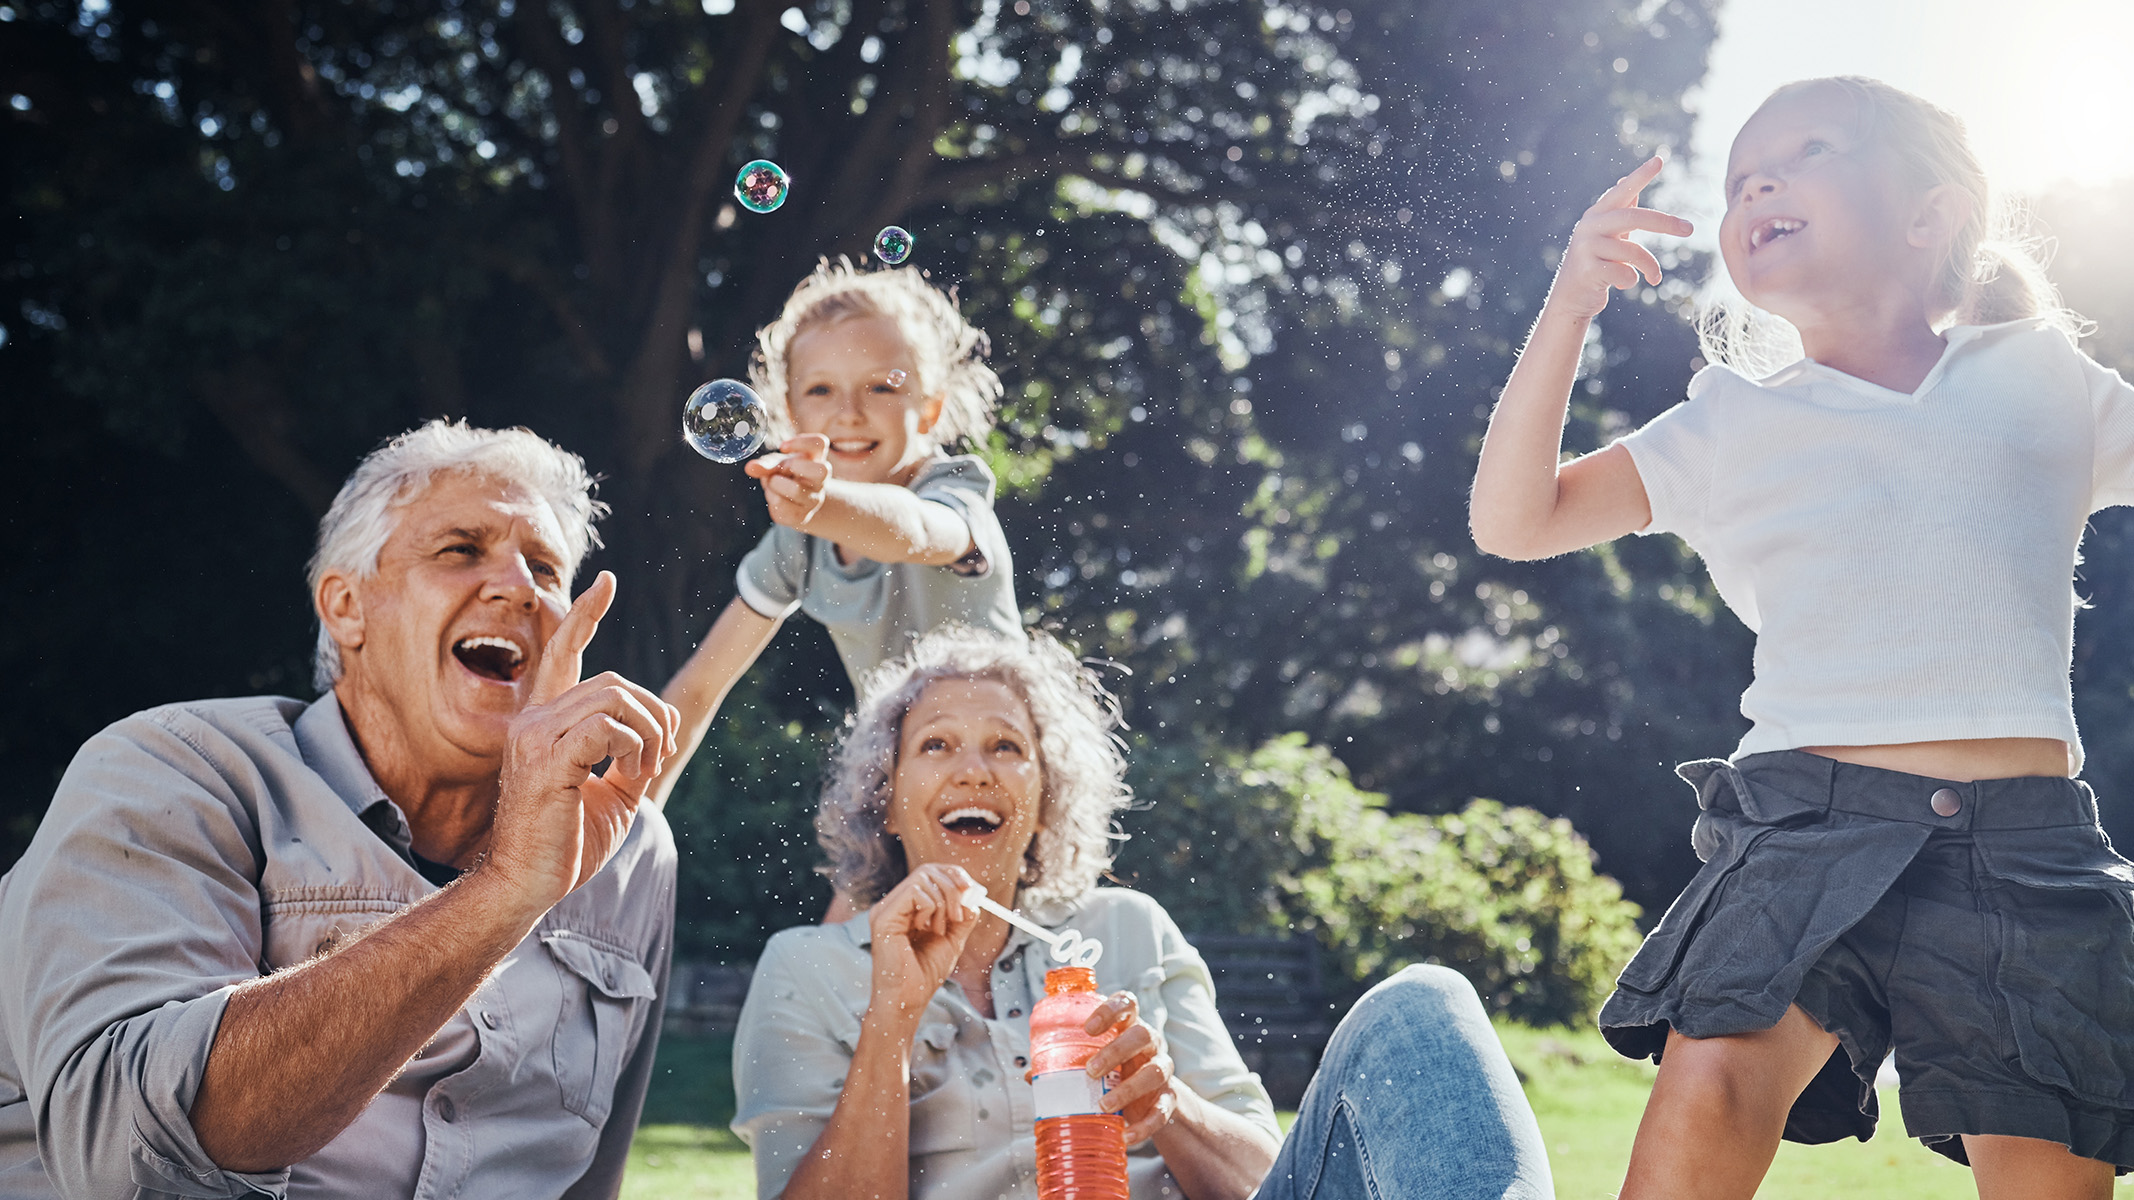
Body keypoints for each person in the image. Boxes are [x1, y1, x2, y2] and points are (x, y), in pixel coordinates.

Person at [1470, 76, 2134, 1197]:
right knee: (1712, 1082)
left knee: (2046, 1171)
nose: (1756, 186)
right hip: (1804, 825)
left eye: (1804, 152)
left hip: (2026, 850)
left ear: (1928, 214)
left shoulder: (2042, 380)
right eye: (1737, 181)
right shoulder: (1734, 416)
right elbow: (1512, 518)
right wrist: (1568, 307)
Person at [0, 421, 683, 1199]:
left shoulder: (631, 852)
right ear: (347, 607)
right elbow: (123, 1158)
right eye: (460, 549)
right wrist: (507, 891)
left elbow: (587, 1181)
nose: (519, 588)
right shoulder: (176, 770)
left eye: (546, 567)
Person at [729, 626, 1553, 1200]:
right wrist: (891, 1024)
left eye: (1008, 747)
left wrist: (1169, 1109)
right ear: (889, 798)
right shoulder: (808, 967)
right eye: (935, 745)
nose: (974, 768)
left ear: (1046, 802)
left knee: (1423, 1004)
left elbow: (1269, 1181)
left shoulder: (1127, 929)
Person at [649, 258, 1021, 815]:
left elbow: (915, 530)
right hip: (903, 773)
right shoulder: (799, 541)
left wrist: (825, 505)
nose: (849, 413)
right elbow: (698, 690)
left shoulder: (954, 489)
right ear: (789, 413)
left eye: (881, 386)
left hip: (1002, 762)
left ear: (930, 406)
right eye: (821, 390)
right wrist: (623, 818)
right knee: (856, 903)